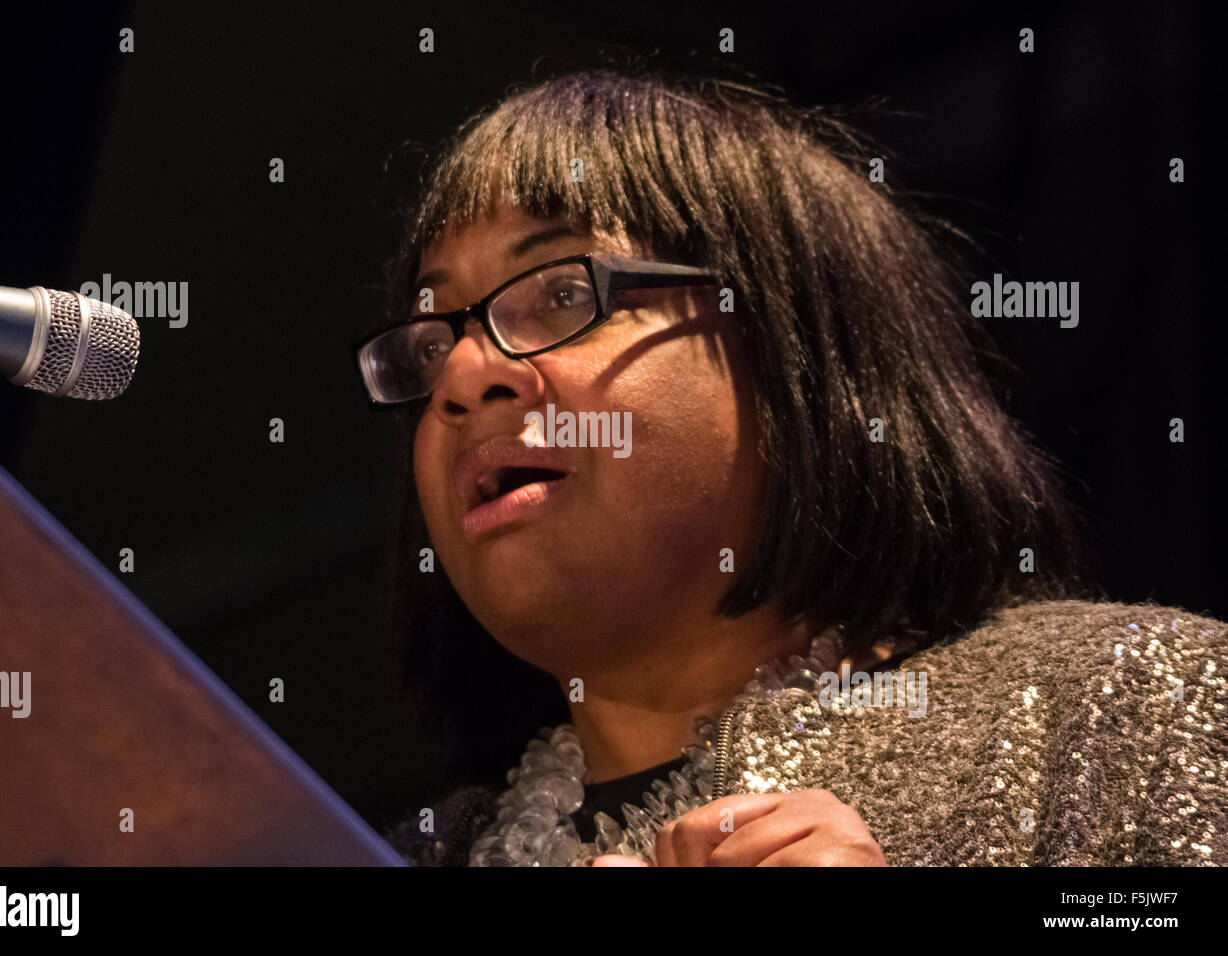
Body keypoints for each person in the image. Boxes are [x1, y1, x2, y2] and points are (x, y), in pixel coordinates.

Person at [359, 67, 1227, 866]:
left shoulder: (1120, 712)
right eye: (435, 341)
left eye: (561, 292)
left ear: (796, 352)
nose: (465, 379)